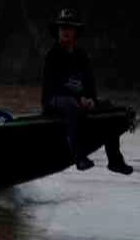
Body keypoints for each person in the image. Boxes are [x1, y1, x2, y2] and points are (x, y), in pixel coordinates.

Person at [42, 9, 133, 174]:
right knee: (70, 105)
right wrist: (78, 99)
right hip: (54, 101)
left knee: (109, 108)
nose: (65, 31)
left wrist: (90, 99)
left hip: (79, 101)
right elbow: (52, 86)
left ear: (75, 32)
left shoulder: (82, 56)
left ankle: (115, 160)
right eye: (62, 28)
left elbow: (90, 85)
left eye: (69, 28)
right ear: (57, 31)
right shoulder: (52, 55)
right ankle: (79, 156)